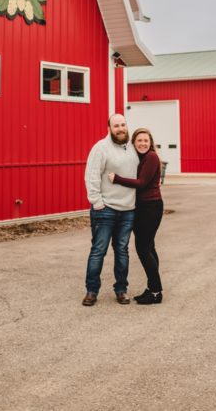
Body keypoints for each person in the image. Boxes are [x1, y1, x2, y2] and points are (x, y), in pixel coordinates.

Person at [82, 113, 139, 306]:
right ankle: (91, 291)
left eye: (123, 125)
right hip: (105, 209)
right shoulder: (101, 148)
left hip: (128, 209)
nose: (121, 129)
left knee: (122, 251)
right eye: (116, 126)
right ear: (109, 128)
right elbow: (91, 176)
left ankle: (121, 290)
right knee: (99, 250)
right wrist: (97, 202)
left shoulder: (132, 148)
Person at [108, 127, 164, 305]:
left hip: (151, 207)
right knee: (150, 248)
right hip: (143, 207)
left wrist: (116, 178)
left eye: (146, 141)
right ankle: (153, 288)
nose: (142, 143)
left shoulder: (151, 157)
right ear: (133, 143)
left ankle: (156, 292)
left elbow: (141, 183)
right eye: (139, 141)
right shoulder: (140, 158)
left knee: (143, 249)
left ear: (151, 142)